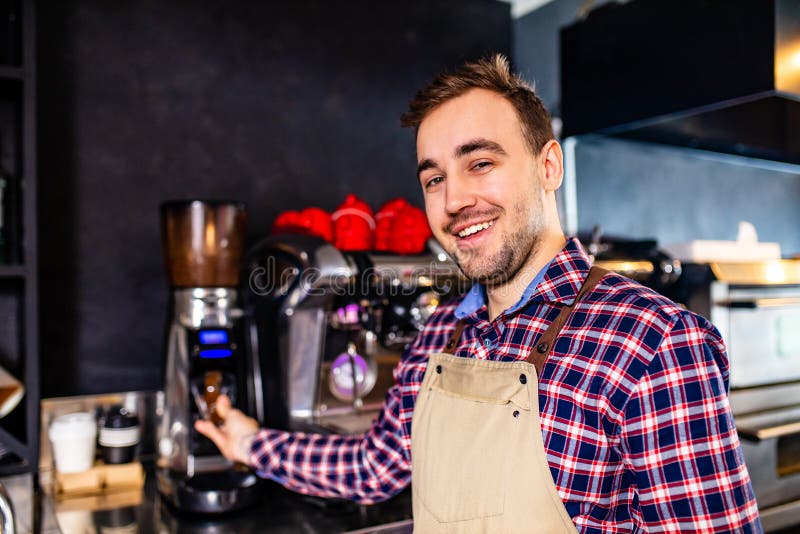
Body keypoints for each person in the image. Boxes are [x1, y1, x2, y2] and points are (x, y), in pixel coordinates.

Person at [196, 54, 762, 532]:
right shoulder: (442, 332)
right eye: (434, 179)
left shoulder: (655, 342)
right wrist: (250, 445)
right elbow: (375, 465)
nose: (454, 200)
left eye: (481, 163)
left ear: (548, 166)